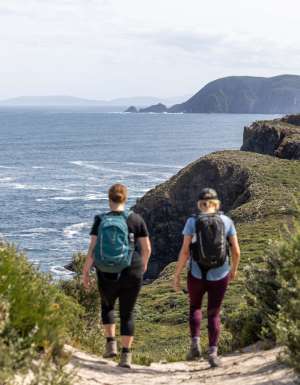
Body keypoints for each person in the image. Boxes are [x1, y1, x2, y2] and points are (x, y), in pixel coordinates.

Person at [82, 183, 151, 368]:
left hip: (106, 271)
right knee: (127, 313)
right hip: (132, 269)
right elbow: (146, 248)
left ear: (109, 199)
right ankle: (126, 356)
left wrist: (86, 271)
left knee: (107, 306)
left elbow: (93, 248)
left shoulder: (100, 220)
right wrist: (143, 266)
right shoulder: (135, 219)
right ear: (125, 198)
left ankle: (110, 343)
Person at [172, 188, 240, 368]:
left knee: (195, 307)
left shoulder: (192, 222)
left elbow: (185, 251)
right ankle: (213, 353)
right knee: (214, 312)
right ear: (216, 203)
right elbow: (236, 251)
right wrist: (233, 269)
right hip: (220, 273)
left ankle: (195, 345)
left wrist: (177, 274)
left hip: (196, 273)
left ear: (199, 204)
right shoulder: (226, 221)